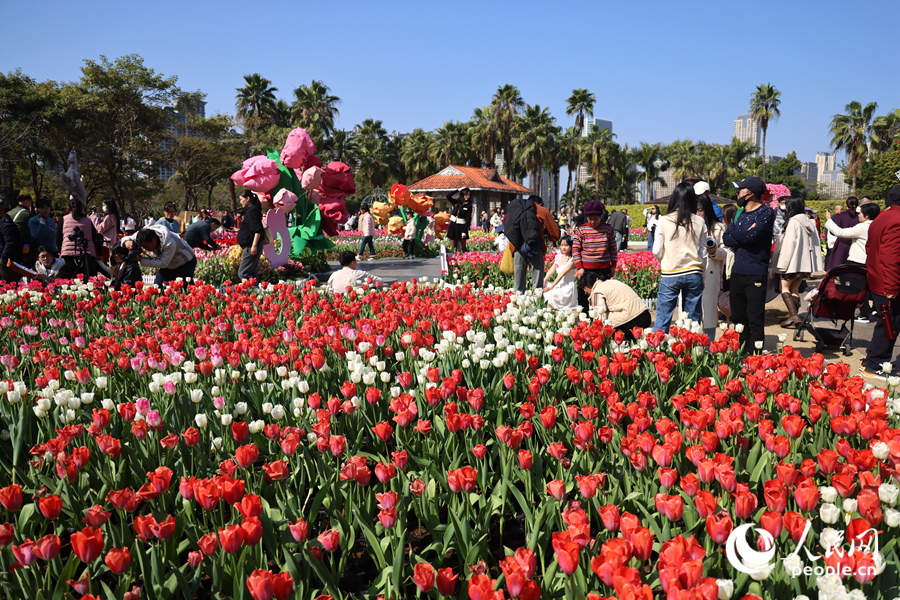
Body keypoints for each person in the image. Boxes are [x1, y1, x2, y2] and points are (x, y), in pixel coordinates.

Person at [722, 176, 775, 353]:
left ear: (750, 193)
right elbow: (726, 238)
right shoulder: (739, 213)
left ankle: (756, 358)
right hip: (737, 271)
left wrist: (739, 234)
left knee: (754, 318)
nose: (737, 193)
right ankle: (742, 354)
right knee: (738, 319)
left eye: (741, 190)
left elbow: (752, 236)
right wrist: (744, 233)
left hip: (756, 272)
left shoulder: (766, 212)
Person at [652, 182, 708, 331]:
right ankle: (691, 352)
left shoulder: (663, 220)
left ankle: (657, 352)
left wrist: (666, 260)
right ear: (692, 199)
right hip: (694, 273)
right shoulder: (700, 221)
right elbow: (703, 252)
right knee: (693, 321)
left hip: (671, 273)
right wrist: (701, 272)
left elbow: (656, 250)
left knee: (663, 318)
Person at [861, 185, 900, 378]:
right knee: (888, 324)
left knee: (885, 323)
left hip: (877, 279)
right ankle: (875, 363)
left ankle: (872, 359)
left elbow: (870, 247)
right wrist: (892, 286)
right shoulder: (897, 219)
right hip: (889, 283)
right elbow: (892, 256)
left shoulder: (883, 217)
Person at [773, 197, 824, 328]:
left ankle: (793, 315)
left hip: (791, 262)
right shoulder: (808, 221)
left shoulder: (793, 221)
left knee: (783, 287)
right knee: (794, 288)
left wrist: (781, 265)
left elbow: (789, 245)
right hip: (805, 263)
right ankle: (794, 317)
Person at [825, 202, 880, 322]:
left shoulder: (863, 226)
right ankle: (870, 311)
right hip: (871, 261)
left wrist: (829, 220)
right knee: (868, 288)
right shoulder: (878, 225)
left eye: (860, 213)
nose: (858, 215)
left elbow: (841, 233)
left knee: (857, 288)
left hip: (859, 261)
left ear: (867, 216)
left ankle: (863, 313)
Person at [573, 200, 617, 311]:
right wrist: (580, 267)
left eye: (595, 219)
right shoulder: (581, 230)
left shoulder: (607, 229)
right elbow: (576, 250)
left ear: (601, 216)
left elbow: (613, 248)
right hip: (586, 269)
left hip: (603, 269)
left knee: (602, 296)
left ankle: (601, 321)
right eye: (590, 219)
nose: (593, 222)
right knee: (584, 296)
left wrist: (613, 266)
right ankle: (585, 321)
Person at [583, 271, 652, 340]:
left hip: (633, 320)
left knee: (604, 322)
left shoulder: (597, 292)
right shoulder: (611, 282)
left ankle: (621, 343)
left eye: (584, 289)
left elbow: (600, 318)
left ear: (588, 286)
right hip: (645, 315)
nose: (585, 292)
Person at [697, 194, 727, 340]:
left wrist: (714, 251)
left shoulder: (719, 227)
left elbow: (726, 251)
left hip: (711, 273)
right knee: (691, 313)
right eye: (695, 210)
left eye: (700, 210)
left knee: (709, 312)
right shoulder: (689, 226)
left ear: (707, 210)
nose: (698, 214)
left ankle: (709, 346)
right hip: (693, 271)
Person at [56, 199, 99, 280]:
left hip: (68, 255)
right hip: (87, 253)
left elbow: (58, 237)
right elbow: (95, 237)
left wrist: (60, 250)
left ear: (68, 208)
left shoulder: (64, 219)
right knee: (89, 278)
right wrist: (99, 253)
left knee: (67, 278)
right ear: (81, 208)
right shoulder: (88, 220)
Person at [542, 236, 578, 310]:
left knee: (548, 294)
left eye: (566, 245)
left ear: (571, 246)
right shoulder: (559, 257)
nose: (564, 247)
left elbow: (561, 274)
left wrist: (550, 287)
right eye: (562, 245)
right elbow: (551, 270)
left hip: (567, 287)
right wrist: (544, 280)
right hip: (558, 284)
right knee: (540, 290)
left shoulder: (572, 261)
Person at [237, 190, 266, 280]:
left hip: (251, 246)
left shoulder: (252, 210)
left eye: (241, 199)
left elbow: (257, 229)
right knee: (252, 273)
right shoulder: (252, 210)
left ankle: (251, 290)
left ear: (248, 198)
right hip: (250, 246)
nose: (240, 202)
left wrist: (254, 246)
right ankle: (255, 291)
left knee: (243, 273)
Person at [825, 196, 859, 270]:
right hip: (856, 244)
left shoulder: (840, 216)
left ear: (846, 205)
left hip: (842, 245)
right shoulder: (860, 216)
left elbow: (832, 232)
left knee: (840, 269)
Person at [7, 194, 35, 267]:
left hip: (8, 241)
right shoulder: (27, 214)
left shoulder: (10, 212)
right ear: (26, 202)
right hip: (22, 243)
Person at [446, 188, 473, 253]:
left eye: (469, 195)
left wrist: (464, 231)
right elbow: (448, 196)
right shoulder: (457, 202)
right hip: (453, 225)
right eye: (466, 195)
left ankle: (462, 261)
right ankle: (453, 261)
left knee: (462, 248)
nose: (467, 197)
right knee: (453, 248)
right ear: (462, 194)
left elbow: (468, 219)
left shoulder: (469, 205)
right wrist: (458, 190)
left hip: (462, 227)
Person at [0, 201, 21, 283]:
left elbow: (10, 242)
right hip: (5, 256)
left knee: (9, 285)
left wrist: (3, 257)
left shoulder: (5, 223)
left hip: (7, 260)